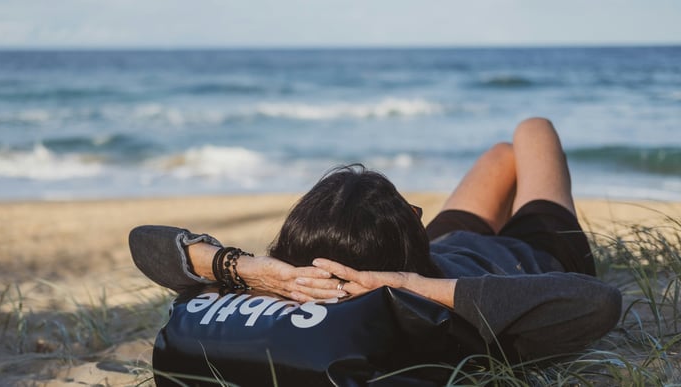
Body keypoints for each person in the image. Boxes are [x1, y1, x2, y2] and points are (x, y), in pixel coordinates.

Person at [130, 117, 622, 360]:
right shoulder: (433, 309)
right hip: (531, 250)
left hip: (441, 247)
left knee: (499, 155)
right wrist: (415, 284)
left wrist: (250, 269)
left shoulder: (293, 285)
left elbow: (143, 241)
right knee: (532, 130)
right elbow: (600, 303)